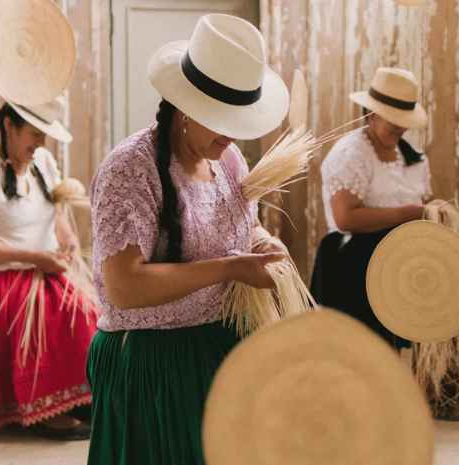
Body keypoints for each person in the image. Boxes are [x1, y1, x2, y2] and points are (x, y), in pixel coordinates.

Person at [87, 13, 290, 464]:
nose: (232, 133)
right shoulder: (131, 170)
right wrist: (229, 268)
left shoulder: (229, 159)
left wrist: (261, 243)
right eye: (221, 119)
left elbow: (241, 225)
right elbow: (123, 286)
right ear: (184, 107)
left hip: (218, 346)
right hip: (151, 361)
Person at [310, 67, 459, 421]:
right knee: (419, 278)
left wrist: (435, 213)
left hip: (405, 242)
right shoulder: (351, 153)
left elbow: (423, 202)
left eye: (404, 121)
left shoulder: (410, 155)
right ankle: (407, 390)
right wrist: (411, 213)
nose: (399, 128)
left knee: (454, 275)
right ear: (370, 115)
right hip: (356, 251)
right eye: (392, 121)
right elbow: (346, 218)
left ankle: (450, 380)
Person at [0, 81, 97, 440]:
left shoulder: (42, 160)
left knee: (89, 317)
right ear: (9, 125)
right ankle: (44, 409)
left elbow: (50, 209)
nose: (41, 144)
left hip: (41, 266)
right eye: (34, 134)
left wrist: (66, 236)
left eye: (45, 135)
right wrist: (33, 257)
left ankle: (73, 398)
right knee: (57, 319)